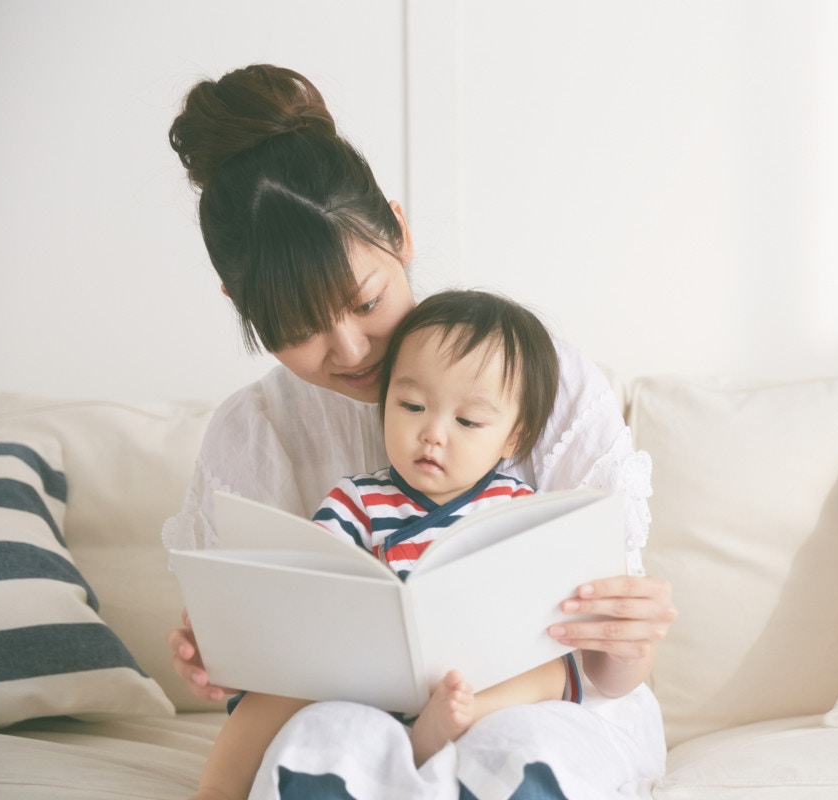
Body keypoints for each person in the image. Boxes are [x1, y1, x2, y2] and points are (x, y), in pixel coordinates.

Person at [163, 64, 675, 799]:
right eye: (299, 329)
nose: (350, 350)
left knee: (521, 751)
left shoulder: (541, 381)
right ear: (239, 304)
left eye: (366, 301)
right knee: (328, 740)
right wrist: (225, 653)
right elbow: (263, 681)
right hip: (352, 719)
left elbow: (600, 665)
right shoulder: (255, 432)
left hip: (538, 710)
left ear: (400, 234)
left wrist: (629, 630)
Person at [196, 290, 582, 797]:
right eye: (412, 406)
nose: (432, 433)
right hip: (369, 680)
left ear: (514, 436)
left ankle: (455, 719)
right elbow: (314, 573)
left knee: (551, 668)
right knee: (283, 689)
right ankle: (216, 791)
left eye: (467, 421)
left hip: (476, 676)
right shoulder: (357, 498)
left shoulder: (518, 507)